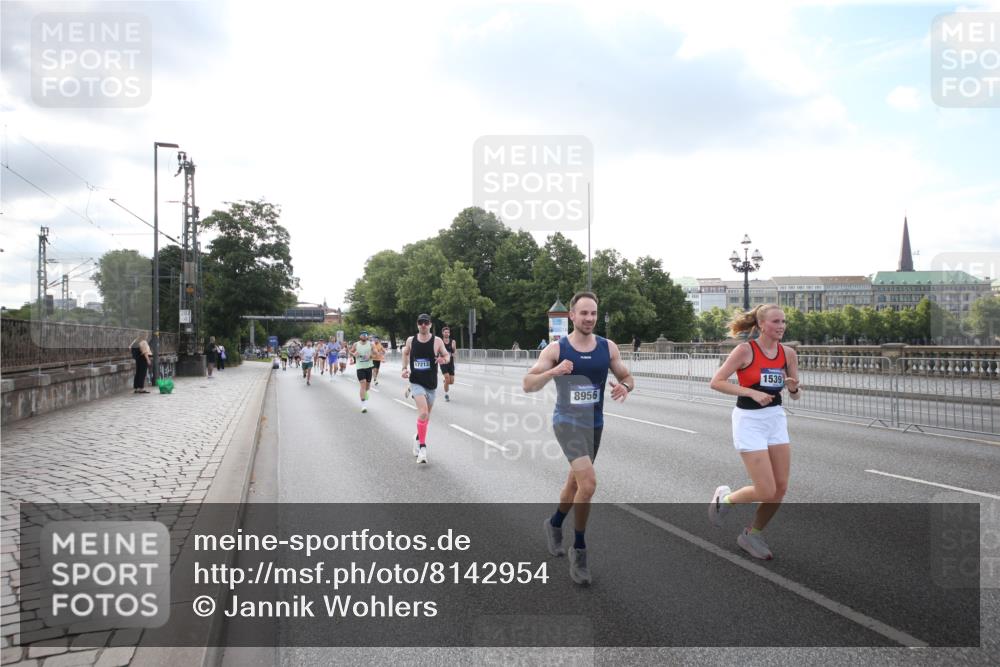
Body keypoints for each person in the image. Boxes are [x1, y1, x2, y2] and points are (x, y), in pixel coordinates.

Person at [524, 292, 634, 585]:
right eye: (583, 313)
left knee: (574, 484)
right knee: (589, 484)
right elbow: (528, 384)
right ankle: (580, 548)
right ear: (572, 316)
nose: (589, 318)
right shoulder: (556, 350)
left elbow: (627, 376)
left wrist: (625, 386)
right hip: (567, 423)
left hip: (594, 424)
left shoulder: (607, 348)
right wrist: (555, 372)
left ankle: (555, 523)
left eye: (593, 313)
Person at [708, 304, 801, 560]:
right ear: (762, 325)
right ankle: (725, 499)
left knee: (780, 488)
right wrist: (751, 391)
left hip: (775, 420)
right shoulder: (745, 350)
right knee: (765, 489)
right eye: (775, 322)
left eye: (783, 321)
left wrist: (793, 389)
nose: (781, 326)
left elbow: (795, 394)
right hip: (749, 421)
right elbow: (716, 382)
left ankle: (752, 534)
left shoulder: (788, 353)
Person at [401, 313, 451, 464]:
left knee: (426, 417)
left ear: (430, 324)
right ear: (417, 324)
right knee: (423, 413)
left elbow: (447, 355)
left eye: (426, 322)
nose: (423, 325)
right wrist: (404, 368)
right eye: (420, 322)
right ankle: (423, 448)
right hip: (416, 381)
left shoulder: (437, 341)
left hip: (431, 384)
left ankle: (417, 437)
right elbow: (405, 352)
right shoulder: (411, 340)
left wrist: (443, 359)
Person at [350, 331, 375, 413]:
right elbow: (350, 352)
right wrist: (354, 354)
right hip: (360, 367)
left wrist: (370, 355)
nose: (364, 336)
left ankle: (366, 393)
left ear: (367, 337)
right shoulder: (356, 344)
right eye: (362, 335)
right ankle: (363, 405)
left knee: (367, 386)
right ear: (360, 336)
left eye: (365, 335)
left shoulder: (371, 344)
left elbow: (376, 353)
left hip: (368, 367)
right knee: (363, 384)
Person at [439, 326, 457, 402]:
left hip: (450, 363)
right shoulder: (440, 341)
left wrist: (453, 354)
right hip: (443, 362)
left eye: (448, 332)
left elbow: (455, 352)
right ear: (443, 333)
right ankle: (446, 395)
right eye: (445, 332)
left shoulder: (453, 342)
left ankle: (446, 381)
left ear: (449, 334)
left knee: (451, 382)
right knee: (447, 378)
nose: (447, 333)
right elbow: (437, 352)